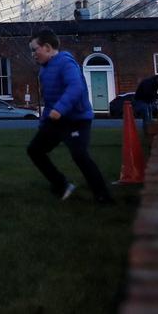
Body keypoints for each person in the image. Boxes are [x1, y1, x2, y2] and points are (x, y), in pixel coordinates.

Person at [26, 28, 114, 205]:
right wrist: (45, 122)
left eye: (35, 49)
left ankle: (103, 197)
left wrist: (60, 109)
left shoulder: (66, 63)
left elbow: (75, 88)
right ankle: (62, 185)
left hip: (77, 120)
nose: (33, 54)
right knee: (34, 150)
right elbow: (49, 99)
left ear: (48, 47)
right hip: (57, 120)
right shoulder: (44, 70)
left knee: (79, 154)